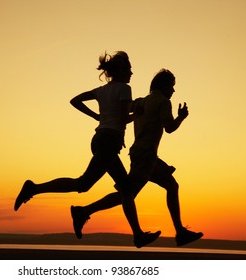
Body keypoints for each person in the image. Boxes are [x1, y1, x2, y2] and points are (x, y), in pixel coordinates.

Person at [14, 51, 160, 248]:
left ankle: (75, 208)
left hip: (100, 139)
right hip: (109, 141)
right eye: (129, 69)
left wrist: (95, 116)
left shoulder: (101, 90)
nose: (132, 72)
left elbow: (75, 100)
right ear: (121, 71)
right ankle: (137, 235)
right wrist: (140, 113)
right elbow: (124, 117)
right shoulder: (125, 89)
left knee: (98, 186)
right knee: (106, 187)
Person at [70, 69, 203, 246]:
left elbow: (123, 109)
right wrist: (181, 117)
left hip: (142, 154)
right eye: (171, 86)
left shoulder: (140, 101)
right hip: (145, 156)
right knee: (128, 194)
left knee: (170, 185)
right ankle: (85, 211)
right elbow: (169, 128)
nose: (173, 91)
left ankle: (180, 232)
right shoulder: (163, 102)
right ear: (163, 86)